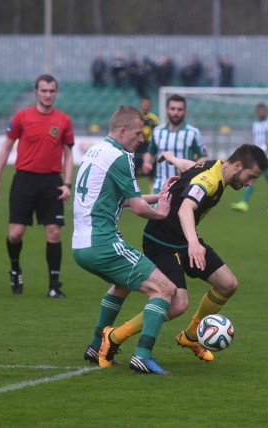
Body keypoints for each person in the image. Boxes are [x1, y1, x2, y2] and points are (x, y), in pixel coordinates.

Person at [83, 144, 268, 364]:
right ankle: (114, 336)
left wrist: (171, 158)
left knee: (228, 283)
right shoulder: (209, 180)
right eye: (251, 176)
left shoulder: (214, 167)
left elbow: (189, 166)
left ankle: (192, 336)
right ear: (238, 165)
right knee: (178, 304)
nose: (250, 183)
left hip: (183, 239)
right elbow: (185, 208)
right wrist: (193, 243)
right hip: (161, 242)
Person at [73, 105, 179, 375]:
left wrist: (157, 197)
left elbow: (124, 198)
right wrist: (162, 213)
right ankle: (143, 354)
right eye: (137, 132)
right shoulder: (121, 157)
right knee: (166, 289)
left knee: (121, 285)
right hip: (103, 243)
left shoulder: (95, 151)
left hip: (80, 246)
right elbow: (139, 209)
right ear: (122, 131)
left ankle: (97, 345)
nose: (142, 139)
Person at [0, 74, 74, 299]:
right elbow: (6, 147)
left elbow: (68, 154)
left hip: (51, 182)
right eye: (44, 91)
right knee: (15, 234)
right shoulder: (22, 116)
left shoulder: (64, 120)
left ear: (56, 93)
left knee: (54, 232)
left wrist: (67, 183)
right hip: (24, 180)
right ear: (36, 92)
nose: (48, 95)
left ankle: (54, 285)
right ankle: (16, 269)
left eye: (52, 91)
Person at [141, 94, 208, 194]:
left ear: (185, 111)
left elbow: (204, 158)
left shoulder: (193, 133)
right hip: (160, 187)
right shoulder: (157, 132)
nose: (176, 112)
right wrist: (147, 162)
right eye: (173, 109)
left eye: (179, 109)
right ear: (167, 109)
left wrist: (190, 169)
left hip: (184, 187)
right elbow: (150, 153)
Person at [231, 102, 268, 214]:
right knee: (250, 178)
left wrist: (265, 146)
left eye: (262, 110)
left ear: (265, 111)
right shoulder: (255, 124)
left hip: (267, 156)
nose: (260, 112)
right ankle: (244, 203)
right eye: (259, 111)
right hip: (256, 156)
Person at [134, 96, 159, 175]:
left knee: (152, 170)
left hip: (148, 145)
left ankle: (152, 186)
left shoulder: (154, 118)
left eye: (147, 104)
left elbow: (156, 132)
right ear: (141, 104)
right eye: (144, 104)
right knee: (134, 169)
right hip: (137, 145)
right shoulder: (136, 117)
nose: (146, 105)